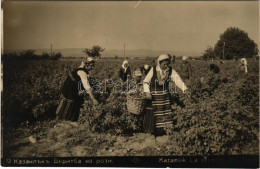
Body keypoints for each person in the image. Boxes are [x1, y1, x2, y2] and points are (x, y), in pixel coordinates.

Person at [143, 54, 188, 136]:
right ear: (159, 63)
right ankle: (155, 132)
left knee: (165, 112)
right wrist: (147, 92)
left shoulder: (170, 70)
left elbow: (178, 80)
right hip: (155, 96)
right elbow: (146, 81)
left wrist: (185, 89)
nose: (165, 66)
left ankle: (165, 130)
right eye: (164, 64)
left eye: (167, 64)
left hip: (165, 96)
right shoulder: (153, 70)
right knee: (155, 113)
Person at [56, 57, 99, 122]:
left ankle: (64, 117)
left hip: (69, 88)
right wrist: (94, 99)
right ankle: (69, 119)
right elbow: (87, 87)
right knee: (75, 101)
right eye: (91, 65)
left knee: (78, 97)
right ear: (86, 65)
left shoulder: (80, 68)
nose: (92, 67)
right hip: (71, 90)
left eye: (93, 65)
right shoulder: (82, 72)